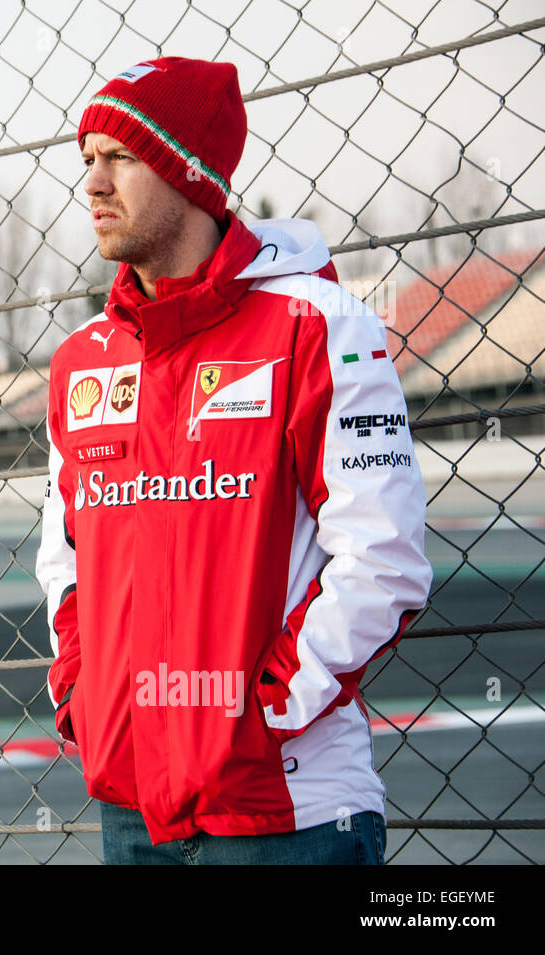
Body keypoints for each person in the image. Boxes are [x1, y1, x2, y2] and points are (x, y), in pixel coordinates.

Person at [35, 56, 432, 865]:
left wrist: (256, 717)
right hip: (134, 807)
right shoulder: (83, 360)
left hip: (286, 811)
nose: (94, 184)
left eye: (121, 156)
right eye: (87, 160)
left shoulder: (317, 324)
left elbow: (383, 559)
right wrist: (86, 691)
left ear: (189, 172)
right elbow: (66, 558)